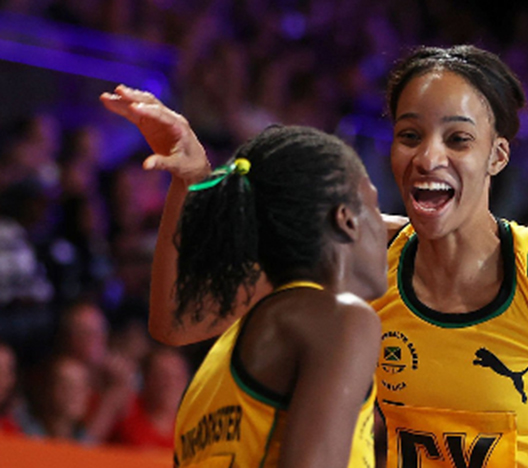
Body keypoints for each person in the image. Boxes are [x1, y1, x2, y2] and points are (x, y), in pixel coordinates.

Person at [102, 42, 528, 468]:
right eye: (410, 134)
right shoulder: (355, 250)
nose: (428, 156)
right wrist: (192, 183)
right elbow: (178, 321)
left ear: (497, 156)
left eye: (458, 138)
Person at [102, 88, 387, 467]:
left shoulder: (228, 352)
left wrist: (191, 182)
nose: (387, 226)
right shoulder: (340, 318)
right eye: (375, 205)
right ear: (347, 219)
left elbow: (173, 317)